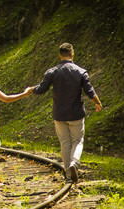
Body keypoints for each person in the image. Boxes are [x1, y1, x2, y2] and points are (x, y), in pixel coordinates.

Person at [26, 42, 102, 183]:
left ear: (60, 55)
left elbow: (41, 89)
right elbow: (90, 92)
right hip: (76, 114)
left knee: (64, 142)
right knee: (78, 141)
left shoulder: (53, 72)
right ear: (72, 54)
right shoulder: (80, 72)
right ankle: (74, 163)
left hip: (59, 114)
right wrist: (97, 102)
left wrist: (31, 89)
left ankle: (68, 173)